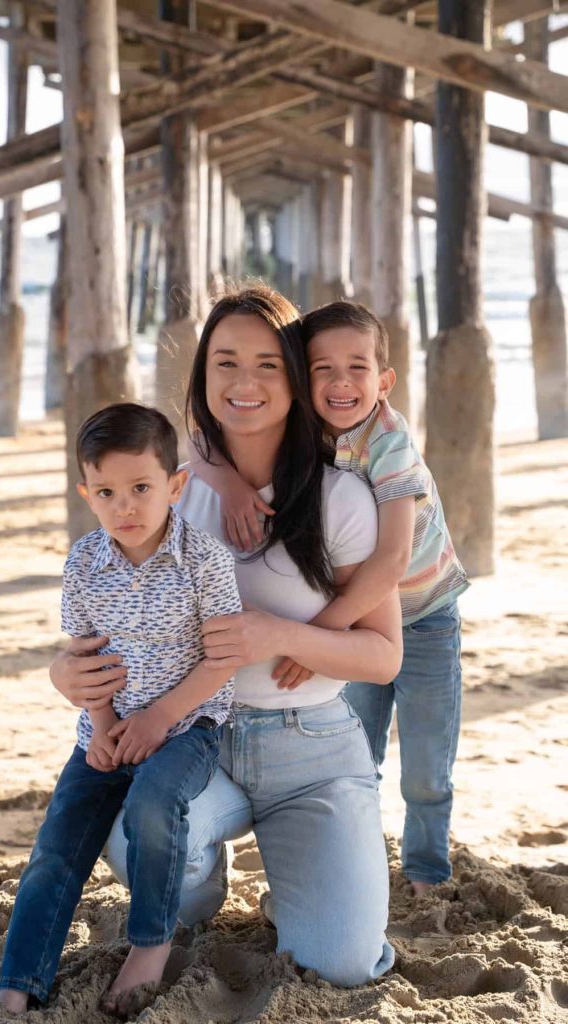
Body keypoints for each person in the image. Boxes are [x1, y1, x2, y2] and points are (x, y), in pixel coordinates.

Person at [50, 285, 404, 989]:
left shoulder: (341, 496)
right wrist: (64, 673)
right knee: (141, 842)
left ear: (296, 378)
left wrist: (280, 634)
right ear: (202, 376)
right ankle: (199, 884)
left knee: (340, 964)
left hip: (310, 747)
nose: (245, 382)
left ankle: (300, 889)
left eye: (268, 364)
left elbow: (383, 654)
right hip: (189, 740)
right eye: (225, 362)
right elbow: (98, 608)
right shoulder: (164, 489)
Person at [197, 299, 468, 894]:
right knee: (360, 747)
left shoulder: (388, 443)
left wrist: (321, 633)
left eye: (357, 369)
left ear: (384, 381)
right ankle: (359, 859)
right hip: (357, 617)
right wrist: (230, 485)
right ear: (303, 378)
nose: (341, 384)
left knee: (426, 764)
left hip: (421, 615)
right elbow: (199, 443)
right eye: (323, 369)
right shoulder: (308, 430)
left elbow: (391, 560)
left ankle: (426, 870)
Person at [0, 403, 241, 1017]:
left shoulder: (204, 559)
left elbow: (223, 660)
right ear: (87, 494)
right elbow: (85, 655)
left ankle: (150, 947)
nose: (125, 506)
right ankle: (17, 984)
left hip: (187, 727)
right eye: (106, 493)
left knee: (154, 803)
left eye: (141, 488)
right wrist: (102, 729)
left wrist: (158, 719)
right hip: (103, 731)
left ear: (175, 486)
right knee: (56, 845)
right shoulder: (84, 563)